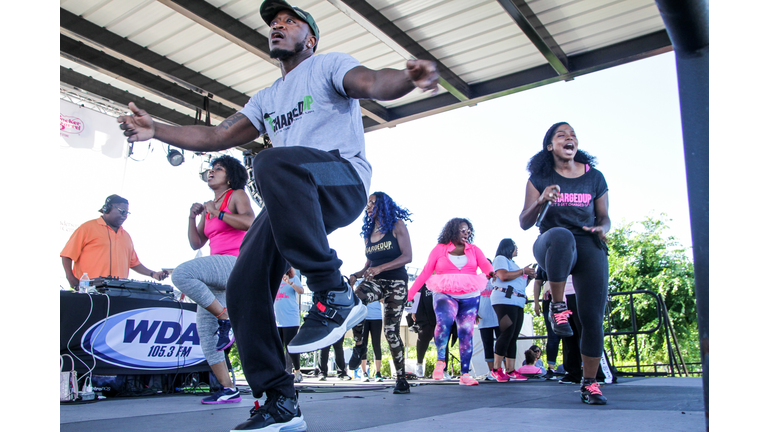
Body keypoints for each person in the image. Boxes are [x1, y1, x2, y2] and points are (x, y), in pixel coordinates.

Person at [117, 1, 438, 429]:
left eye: (289, 21)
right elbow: (216, 135)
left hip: (340, 176)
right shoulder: (266, 97)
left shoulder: (328, 65)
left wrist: (407, 79)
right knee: (245, 284)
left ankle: (333, 293)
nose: (278, 26)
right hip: (294, 194)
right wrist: (158, 130)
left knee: (270, 162)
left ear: (311, 37)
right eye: (273, 22)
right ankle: (279, 402)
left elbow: (373, 81)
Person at [519, 122, 611, 405]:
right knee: (560, 235)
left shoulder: (594, 177)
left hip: (587, 244)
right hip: (550, 242)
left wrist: (603, 228)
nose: (569, 138)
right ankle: (558, 308)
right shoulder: (539, 177)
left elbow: (604, 216)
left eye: (573, 135)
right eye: (562, 135)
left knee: (592, 318)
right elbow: (524, 222)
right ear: (550, 146)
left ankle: (590, 383)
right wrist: (541, 201)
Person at [171, 155, 256, 405]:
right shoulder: (210, 206)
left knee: (181, 274)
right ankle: (229, 389)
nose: (211, 172)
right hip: (215, 271)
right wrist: (192, 217)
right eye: (210, 169)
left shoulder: (236, 195)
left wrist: (217, 213)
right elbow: (196, 243)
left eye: (218, 169)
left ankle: (224, 317)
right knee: (206, 336)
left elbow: (250, 222)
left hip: (233, 265)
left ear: (229, 176)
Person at [407, 218, 495, 386]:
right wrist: (410, 294)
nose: (466, 233)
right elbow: (426, 272)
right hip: (444, 292)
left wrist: (491, 272)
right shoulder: (439, 249)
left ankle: (465, 373)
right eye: (463, 230)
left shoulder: (474, 250)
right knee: (444, 322)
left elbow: (484, 264)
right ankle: (441, 361)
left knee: (466, 332)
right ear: (453, 230)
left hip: (470, 293)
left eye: (468, 231)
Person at [348, 192, 413, 394]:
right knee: (357, 299)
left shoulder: (397, 225)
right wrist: (356, 274)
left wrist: (381, 268)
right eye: (366, 203)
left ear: (383, 205)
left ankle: (401, 379)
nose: (367, 206)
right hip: (375, 280)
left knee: (391, 331)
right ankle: (359, 346)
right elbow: (369, 264)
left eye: (372, 203)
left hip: (396, 282)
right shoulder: (368, 233)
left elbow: (408, 256)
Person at [61, 194, 168, 288]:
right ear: (107, 209)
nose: (125, 216)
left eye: (127, 213)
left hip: (118, 291)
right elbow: (67, 255)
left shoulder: (126, 236)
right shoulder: (87, 228)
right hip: (90, 289)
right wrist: (70, 278)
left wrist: (153, 274)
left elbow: (134, 263)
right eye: (122, 211)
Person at [490, 238, 536, 382]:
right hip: (504, 299)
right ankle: (496, 368)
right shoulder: (500, 259)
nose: (517, 248)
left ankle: (510, 370)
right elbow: (503, 276)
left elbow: (519, 283)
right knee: (506, 332)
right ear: (508, 247)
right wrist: (523, 270)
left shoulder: (514, 264)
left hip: (518, 301)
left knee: (513, 335)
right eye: (515, 246)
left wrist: (528, 277)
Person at [532, 271, 576, 380]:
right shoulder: (543, 262)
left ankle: (574, 367)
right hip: (549, 301)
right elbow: (537, 282)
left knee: (571, 334)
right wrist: (536, 302)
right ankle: (551, 368)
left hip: (570, 296)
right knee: (552, 335)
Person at [275, 267, 304, 383]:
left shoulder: (294, 278)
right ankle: (279, 372)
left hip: (290, 319)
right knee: (277, 347)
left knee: (290, 346)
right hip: (277, 319)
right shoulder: (274, 279)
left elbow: (301, 291)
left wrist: (290, 282)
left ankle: (297, 371)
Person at [476, 259, 500, 380]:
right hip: (483, 316)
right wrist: (474, 312)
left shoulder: (498, 277)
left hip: (498, 315)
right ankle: (491, 372)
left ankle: (502, 370)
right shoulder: (477, 280)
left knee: (501, 344)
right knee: (487, 345)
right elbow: (473, 297)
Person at [352, 300, 383, 383]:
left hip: (376, 316)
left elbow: (383, 298)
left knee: (376, 344)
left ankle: (378, 373)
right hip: (362, 316)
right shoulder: (358, 286)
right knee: (363, 344)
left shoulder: (379, 286)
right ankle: (364, 372)